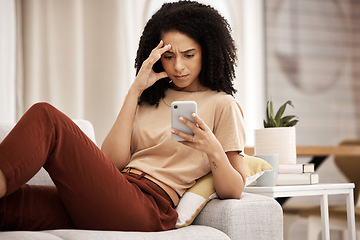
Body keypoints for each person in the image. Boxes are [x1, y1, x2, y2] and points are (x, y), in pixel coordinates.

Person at [0, 1, 246, 232]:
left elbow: (234, 189)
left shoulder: (223, 105)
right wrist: (135, 90)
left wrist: (213, 150)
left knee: (47, 118)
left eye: (189, 55)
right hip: (115, 195)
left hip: (147, 206)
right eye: (169, 57)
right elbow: (111, 161)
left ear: (208, 52)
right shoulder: (149, 99)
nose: (178, 66)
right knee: (9, 206)